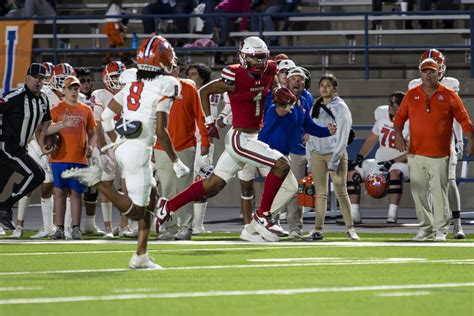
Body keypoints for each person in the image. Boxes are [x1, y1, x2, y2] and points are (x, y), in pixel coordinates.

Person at [63, 35, 188, 269]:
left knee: (151, 199)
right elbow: (161, 131)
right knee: (136, 212)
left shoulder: (131, 78)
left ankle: (141, 255)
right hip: (139, 150)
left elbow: (107, 117)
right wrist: (176, 160)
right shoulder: (168, 85)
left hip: (125, 146)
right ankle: (98, 182)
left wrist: (116, 142)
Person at [153, 36, 291, 243]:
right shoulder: (234, 74)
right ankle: (262, 215)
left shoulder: (270, 69)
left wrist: (278, 90)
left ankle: (168, 206)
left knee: (214, 184)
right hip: (239, 138)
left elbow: (273, 83)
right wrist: (209, 121)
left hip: (253, 135)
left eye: (262, 58)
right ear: (244, 58)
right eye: (254, 59)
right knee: (281, 165)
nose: (259, 63)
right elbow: (205, 91)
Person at [394, 58, 474, 242]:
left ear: (439, 72)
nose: (428, 74)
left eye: (432, 71)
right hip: (415, 152)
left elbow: (464, 119)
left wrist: (470, 139)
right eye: (425, 71)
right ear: (420, 73)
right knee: (419, 193)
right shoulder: (411, 94)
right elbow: (398, 119)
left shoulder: (450, 94)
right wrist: (398, 135)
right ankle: (425, 228)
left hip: (440, 153)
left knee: (439, 193)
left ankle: (441, 230)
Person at [0, 63, 78, 231]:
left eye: (41, 78)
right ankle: (5, 207)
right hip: (6, 145)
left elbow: (45, 128)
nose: (38, 81)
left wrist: (63, 124)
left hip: (20, 147)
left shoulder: (42, 99)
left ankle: (4, 207)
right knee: (36, 173)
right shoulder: (15, 96)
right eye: (35, 77)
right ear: (27, 78)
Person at [408, 49, 466, 239]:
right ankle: (431, 226)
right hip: (421, 144)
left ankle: (456, 224)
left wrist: (459, 140)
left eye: (436, 68)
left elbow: (456, 116)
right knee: (424, 187)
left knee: (449, 182)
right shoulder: (415, 86)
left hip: (443, 142)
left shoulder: (450, 86)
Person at [154, 60, 209, 241]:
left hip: (185, 145)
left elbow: (200, 116)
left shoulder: (188, 88)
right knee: (167, 189)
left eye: (173, 66)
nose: (171, 70)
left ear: (177, 69)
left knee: (184, 189)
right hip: (161, 147)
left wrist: (205, 141)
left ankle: (186, 226)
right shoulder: (154, 89)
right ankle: (170, 227)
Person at [305, 73, 360, 241]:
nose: (324, 88)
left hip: (334, 153)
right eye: (322, 85)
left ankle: (350, 228)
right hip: (317, 154)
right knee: (320, 194)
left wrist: (335, 159)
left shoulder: (341, 107)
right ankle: (318, 230)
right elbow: (309, 132)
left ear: (334, 89)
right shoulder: (315, 105)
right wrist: (310, 156)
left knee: (340, 191)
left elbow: (343, 135)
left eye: (328, 85)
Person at [348, 91, 409, 224]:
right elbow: (372, 139)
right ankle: (354, 214)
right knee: (353, 173)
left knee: (394, 173)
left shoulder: (411, 121)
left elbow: (413, 150)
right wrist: (360, 156)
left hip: (403, 163)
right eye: (390, 102)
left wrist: (392, 161)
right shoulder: (382, 115)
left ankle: (392, 215)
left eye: (393, 103)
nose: (390, 106)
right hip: (379, 161)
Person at [49, 76, 97, 240]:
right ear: (63, 91)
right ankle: (59, 228)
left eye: (76, 88)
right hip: (59, 157)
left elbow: (92, 133)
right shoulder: (55, 109)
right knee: (59, 193)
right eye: (70, 88)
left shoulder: (86, 109)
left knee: (77, 193)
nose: (74, 91)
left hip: (78, 157)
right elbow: (46, 130)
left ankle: (76, 228)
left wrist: (91, 146)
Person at [89, 60, 128, 238]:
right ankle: (108, 226)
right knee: (107, 184)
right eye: (114, 76)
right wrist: (101, 148)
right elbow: (97, 123)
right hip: (107, 143)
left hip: (127, 142)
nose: (118, 79)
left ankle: (125, 224)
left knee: (128, 185)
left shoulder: (129, 91)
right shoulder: (100, 94)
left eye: (120, 75)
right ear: (106, 77)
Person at [185, 62, 224, 234]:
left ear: (203, 76)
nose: (190, 77)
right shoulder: (183, 92)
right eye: (189, 74)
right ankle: (183, 223)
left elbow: (229, 105)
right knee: (184, 184)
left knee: (202, 183)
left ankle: (198, 225)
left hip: (205, 142)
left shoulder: (213, 91)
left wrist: (224, 118)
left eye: (193, 74)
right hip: (186, 142)